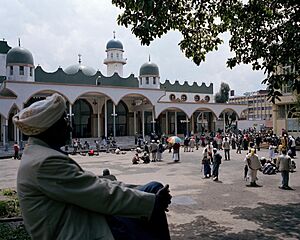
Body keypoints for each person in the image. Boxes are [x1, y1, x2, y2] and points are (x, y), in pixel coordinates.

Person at [13, 93, 171, 240]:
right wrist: (152, 202)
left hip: (81, 215)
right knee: (154, 204)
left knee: (153, 188)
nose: (70, 128)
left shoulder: (39, 154)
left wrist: (147, 196)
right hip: (76, 229)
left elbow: (92, 184)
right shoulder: (45, 162)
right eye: (65, 122)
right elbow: (99, 194)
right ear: (50, 128)